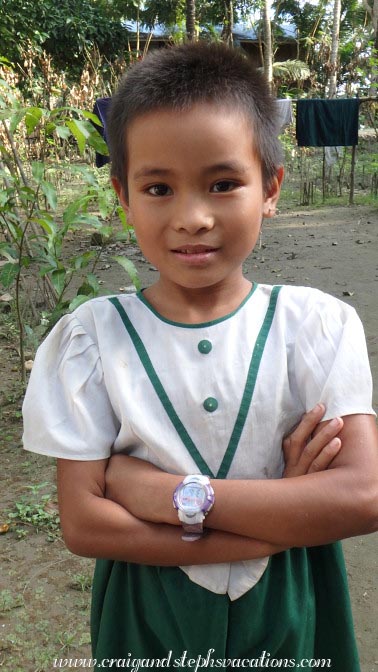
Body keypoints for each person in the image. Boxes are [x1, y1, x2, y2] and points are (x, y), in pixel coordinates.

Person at [22, 42, 378, 670]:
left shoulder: (316, 325)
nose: (192, 217)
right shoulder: (92, 339)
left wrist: (170, 495)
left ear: (270, 187)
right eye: (158, 187)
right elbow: (85, 527)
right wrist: (287, 513)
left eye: (222, 184)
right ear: (123, 193)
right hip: (147, 611)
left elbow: (361, 497)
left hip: (289, 603)